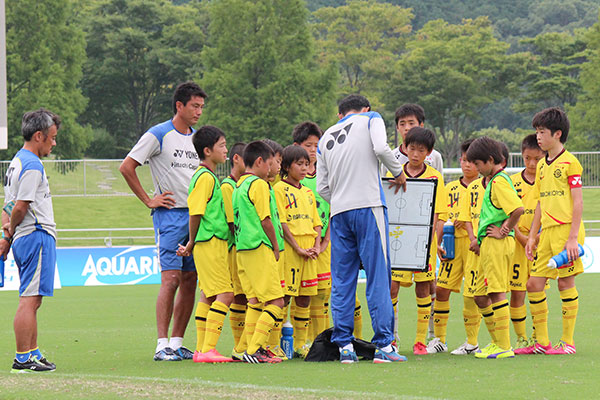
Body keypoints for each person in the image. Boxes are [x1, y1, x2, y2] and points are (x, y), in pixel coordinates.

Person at [119, 81, 207, 361]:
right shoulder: (158, 134)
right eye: (194, 106)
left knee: (191, 279)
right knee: (171, 279)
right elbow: (127, 166)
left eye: (201, 107)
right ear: (179, 105)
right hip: (170, 216)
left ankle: (177, 343)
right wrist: (148, 199)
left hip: (196, 216)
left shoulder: (198, 138)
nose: (199, 112)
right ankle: (161, 345)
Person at [317, 94, 407, 364]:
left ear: (340, 114)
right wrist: (398, 172)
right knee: (378, 275)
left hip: (339, 213)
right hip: (368, 206)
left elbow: (322, 187)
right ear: (365, 108)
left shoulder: (324, 137)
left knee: (342, 280)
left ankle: (345, 346)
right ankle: (384, 345)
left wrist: (341, 199)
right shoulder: (371, 118)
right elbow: (381, 148)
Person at [519, 107, 584, 355]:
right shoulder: (542, 166)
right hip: (546, 234)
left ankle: (567, 342)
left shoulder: (570, 163)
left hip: (566, 232)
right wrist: (532, 236)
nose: (538, 136)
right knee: (533, 284)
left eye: (542, 132)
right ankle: (542, 343)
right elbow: (539, 202)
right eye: (537, 131)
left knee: (565, 282)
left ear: (557, 134)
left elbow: (578, 202)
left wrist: (572, 239)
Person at [2, 109, 60, 372]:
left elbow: (8, 205)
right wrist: (9, 232)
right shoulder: (33, 165)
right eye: (52, 137)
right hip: (36, 234)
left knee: (33, 299)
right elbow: (20, 206)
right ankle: (23, 358)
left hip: (25, 238)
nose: (53, 143)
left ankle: (32, 352)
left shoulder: (16, 161)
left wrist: (6, 236)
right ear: (39, 136)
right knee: (30, 299)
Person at [387, 127, 447, 356]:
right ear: (405, 147)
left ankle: (420, 341)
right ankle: (392, 338)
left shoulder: (435, 176)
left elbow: (438, 213)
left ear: (428, 153)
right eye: (411, 149)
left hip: (424, 243)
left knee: (423, 287)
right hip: (398, 240)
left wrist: (434, 241)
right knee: (392, 287)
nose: (415, 154)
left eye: (420, 150)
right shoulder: (394, 172)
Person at [177, 125, 233, 363]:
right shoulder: (205, 178)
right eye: (222, 145)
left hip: (209, 242)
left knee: (208, 295)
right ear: (208, 151)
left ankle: (201, 348)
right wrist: (191, 241)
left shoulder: (206, 176)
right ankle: (208, 349)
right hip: (210, 241)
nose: (226, 150)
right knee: (226, 294)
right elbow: (196, 211)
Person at [466, 137, 524, 359]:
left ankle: (504, 345)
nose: (476, 168)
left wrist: (504, 229)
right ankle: (496, 341)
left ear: (490, 160)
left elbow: (517, 209)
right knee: (481, 294)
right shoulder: (494, 180)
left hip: (497, 243)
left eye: (478, 164)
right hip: (488, 243)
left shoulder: (499, 181)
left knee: (496, 291)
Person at [233, 141, 285, 363]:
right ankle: (254, 349)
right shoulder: (259, 184)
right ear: (260, 161)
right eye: (270, 164)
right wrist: (275, 245)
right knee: (276, 302)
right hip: (258, 246)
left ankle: (243, 347)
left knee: (254, 301)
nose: (272, 169)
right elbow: (265, 220)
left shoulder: (239, 185)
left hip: (243, 249)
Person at [428, 139, 479, 354]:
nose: (467, 165)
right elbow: (440, 217)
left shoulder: (485, 186)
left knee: (472, 293)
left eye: (472, 162)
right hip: (452, 245)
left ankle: (472, 342)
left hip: (474, 247)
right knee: (441, 289)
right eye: (464, 160)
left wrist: (467, 223)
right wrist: (437, 243)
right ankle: (439, 339)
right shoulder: (450, 188)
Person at [274, 145, 322, 358]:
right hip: (291, 250)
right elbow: (282, 223)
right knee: (284, 297)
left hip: (310, 251)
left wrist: (317, 246)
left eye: (307, 164)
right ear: (286, 166)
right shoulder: (279, 189)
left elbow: (317, 223)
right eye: (299, 164)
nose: (304, 168)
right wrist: (297, 247)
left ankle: (301, 344)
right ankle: (275, 344)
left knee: (305, 298)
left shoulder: (309, 192)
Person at [509, 135, 545, 351]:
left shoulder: (547, 180)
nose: (532, 163)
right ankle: (521, 338)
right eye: (527, 158)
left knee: (538, 291)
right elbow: (507, 211)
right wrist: (520, 237)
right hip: (517, 243)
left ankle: (538, 336)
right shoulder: (512, 182)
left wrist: (536, 237)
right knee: (517, 292)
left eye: (537, 159)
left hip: (540, 243)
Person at [221, 142, 249, 360]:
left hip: (246, 247)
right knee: (240, 296)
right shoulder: (228, 186)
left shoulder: (244, 184)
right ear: (237, 159)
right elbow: (233, 223)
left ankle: (246, 344)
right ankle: (240, 345)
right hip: (236, 249)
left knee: (248, 297)